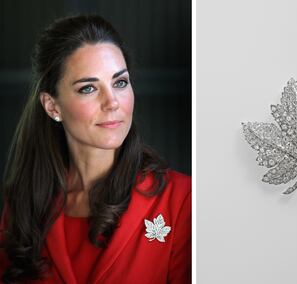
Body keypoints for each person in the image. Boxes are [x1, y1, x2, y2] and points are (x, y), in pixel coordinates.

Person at [0, 14, 191, 284]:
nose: (112, 102)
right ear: (52, 106)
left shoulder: (182, 199)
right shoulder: (24, 203)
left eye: (120, 82)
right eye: (89, 88)